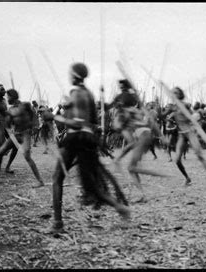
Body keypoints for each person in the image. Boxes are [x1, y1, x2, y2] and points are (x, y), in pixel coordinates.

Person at [47, 63, 130, 234]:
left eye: (70, 74)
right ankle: (121, 208)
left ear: (75, 75)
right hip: (87, 139)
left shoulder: (76, 94)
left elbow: (79, 123)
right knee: (91, 185)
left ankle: (57, 223)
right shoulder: (88, 94)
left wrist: (53, 116)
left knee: (57, 178)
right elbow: (91, 120)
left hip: (76, 138)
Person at [0, 89, 44, 188]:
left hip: (25, 134)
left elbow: (34, 116)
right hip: (15, 135)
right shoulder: (10, 110)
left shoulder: (26, 105)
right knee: (0, 153)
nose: (7, 98)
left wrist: (35, 126)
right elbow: (8, 123)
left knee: (27, 157)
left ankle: (40, 181)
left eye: (8, 97)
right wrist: (5, 118)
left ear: (13, 96)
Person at [162, 87, 206, 185]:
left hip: (190, 132)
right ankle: (187, 178)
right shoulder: (172, 107)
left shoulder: (185, 105)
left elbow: (194, 117)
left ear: (180, 95)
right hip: (181, 135)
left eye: (176, 93)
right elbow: (162, 115)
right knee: (177, 160)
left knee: (199, 154)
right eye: (173, 93)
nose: (174, 95)